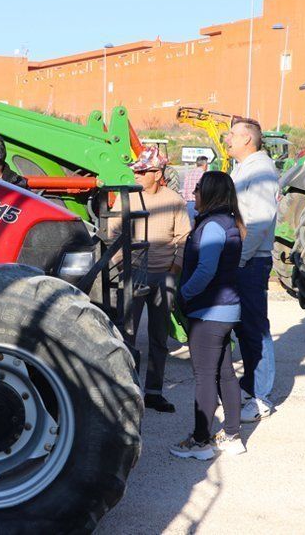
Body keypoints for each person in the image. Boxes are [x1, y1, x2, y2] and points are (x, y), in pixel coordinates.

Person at [170, 171, 247, 460]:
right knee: (225, 374)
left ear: (211, 193)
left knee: (204, 377)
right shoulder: (228, 222)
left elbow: (206, 270)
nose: (194, 194)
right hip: (226, 311)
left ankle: (201, 441)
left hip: (209, 311)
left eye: (199, 189)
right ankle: (231, 435)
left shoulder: (213, 226)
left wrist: (184, 294)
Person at [109, 146, 191, 413]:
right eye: (137, 171)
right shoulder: (127, 199)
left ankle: (153, 392)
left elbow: (183, 237)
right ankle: (125, 392)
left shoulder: (174, 200)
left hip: (164, 276)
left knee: (158, 337)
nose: (137, 175)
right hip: (134, 274)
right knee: (127, 334)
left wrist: (175, 265)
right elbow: (112, 233)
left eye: (143, 171)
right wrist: (123, 263)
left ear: (158, 173)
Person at [225, 118, 279, 423]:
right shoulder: (245, 168)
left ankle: (261, 397)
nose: (228, 138)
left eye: (232, 135)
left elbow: (258, 220)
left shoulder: (259, 170)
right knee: (245, 327)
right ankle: (251, 385)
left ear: (248, 140)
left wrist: (240, 259)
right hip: (245, 259)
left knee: (256, 327)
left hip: (250, 261)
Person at [181, 155, 209, 220]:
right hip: (200, 205)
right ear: (205, 165)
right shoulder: (204, 175)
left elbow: (184, 192)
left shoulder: (188, 174)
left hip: (188, 205)